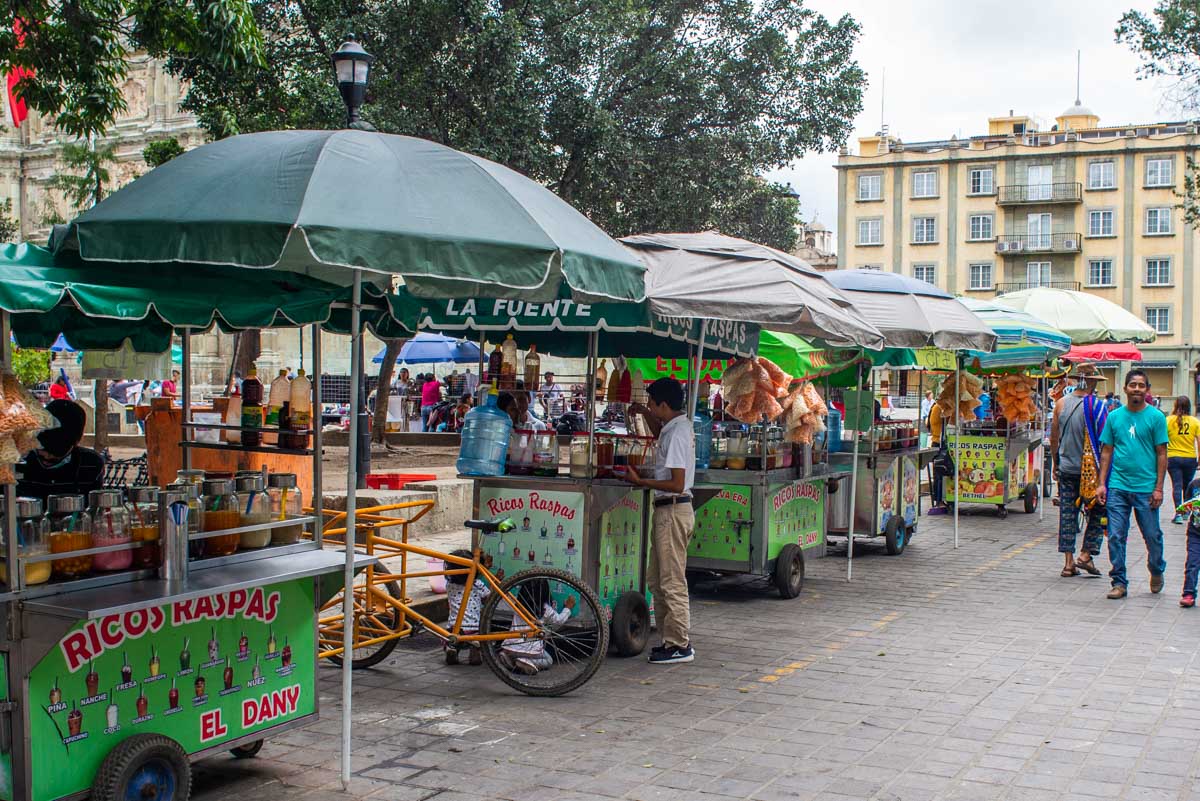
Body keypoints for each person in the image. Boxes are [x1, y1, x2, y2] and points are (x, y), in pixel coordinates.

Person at [624, 377, 695, 664]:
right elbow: (659, 434)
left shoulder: (677, 434)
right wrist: (642, 411)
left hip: (674, 509)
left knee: (671, 580)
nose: (652, 410)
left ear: (664, 405)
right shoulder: (673, 427)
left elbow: (677, 483)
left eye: (653, 405)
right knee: (657, 578)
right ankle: (669, 640)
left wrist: (643, 480)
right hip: (668, 511)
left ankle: (679, 644)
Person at [1098, 369, 1169, 600]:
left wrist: (1159, 487)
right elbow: (1106, 451)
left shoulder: (1156, 418)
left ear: (1147, 389)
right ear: (1125, 388)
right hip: (1118, 486)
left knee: (1152, 535)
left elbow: (1161, 453)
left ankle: (1156, 569)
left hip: (1145, 489)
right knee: (1116, 536)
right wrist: (1102, 484)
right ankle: (1119, 581)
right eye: (1133, 385)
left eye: (1141, 385)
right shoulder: (1114, 417)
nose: (1136, 389)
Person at [1050, 364, 1108, 578]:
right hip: (1092, 473)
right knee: (1100, 511)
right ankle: (1086, 554)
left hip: (1066, 468)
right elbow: (1106, 444)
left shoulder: (1061, 404)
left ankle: (1068, 563)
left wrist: (1056, 463)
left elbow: (1054, 437)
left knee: (1067, 515)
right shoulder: (1099, 407)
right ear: (1091, 382)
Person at [15, 399, 105, 501]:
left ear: (74, 444)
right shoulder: (15, 462)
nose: (47, 456)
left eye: (57, 451)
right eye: (43, 447)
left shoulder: (91, 464)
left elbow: (93, 508)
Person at [497, 577, 576, 675]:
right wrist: (568, 607)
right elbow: (559, 621)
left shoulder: (517, 606)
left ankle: (509, 658)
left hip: (510, 646)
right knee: (549, 660)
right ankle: (527, 662)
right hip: (531, 651)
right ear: (545, 592)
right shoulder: (546, 610)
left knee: (514, 652)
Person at [443, 549, 494, 666]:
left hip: (454, 627)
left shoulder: (450, 586)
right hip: (473, 628)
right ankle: (475, 651)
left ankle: (452, 649)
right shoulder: (477, 584)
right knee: (476, 642)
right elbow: (488, 599)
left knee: (452, 640)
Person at [1167, 395, 1200, 523]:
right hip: (1190, 457)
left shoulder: (1168, 420)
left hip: (1173, 457)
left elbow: (1162, 441)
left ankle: (1178, 514)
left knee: (1176, 485)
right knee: (1187, 486)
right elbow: (1199, 441)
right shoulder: (1195, 421)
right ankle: (1186, 512)